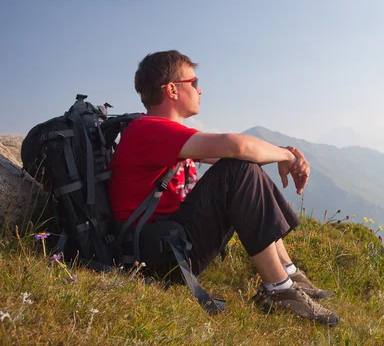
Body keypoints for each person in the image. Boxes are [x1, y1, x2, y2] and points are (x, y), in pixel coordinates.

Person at [108, 50, 339, 326]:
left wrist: (284, 152)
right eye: (193, 83)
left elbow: (238, 155)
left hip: (169, 245)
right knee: (239, 169)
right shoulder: (149, 130)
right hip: (156, 258)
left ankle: (288, 272)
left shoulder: (163, 134)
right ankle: (279, 290)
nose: (200, 89)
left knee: (241, 167)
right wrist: (288, 157)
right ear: (172, 90)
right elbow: (236, 147)